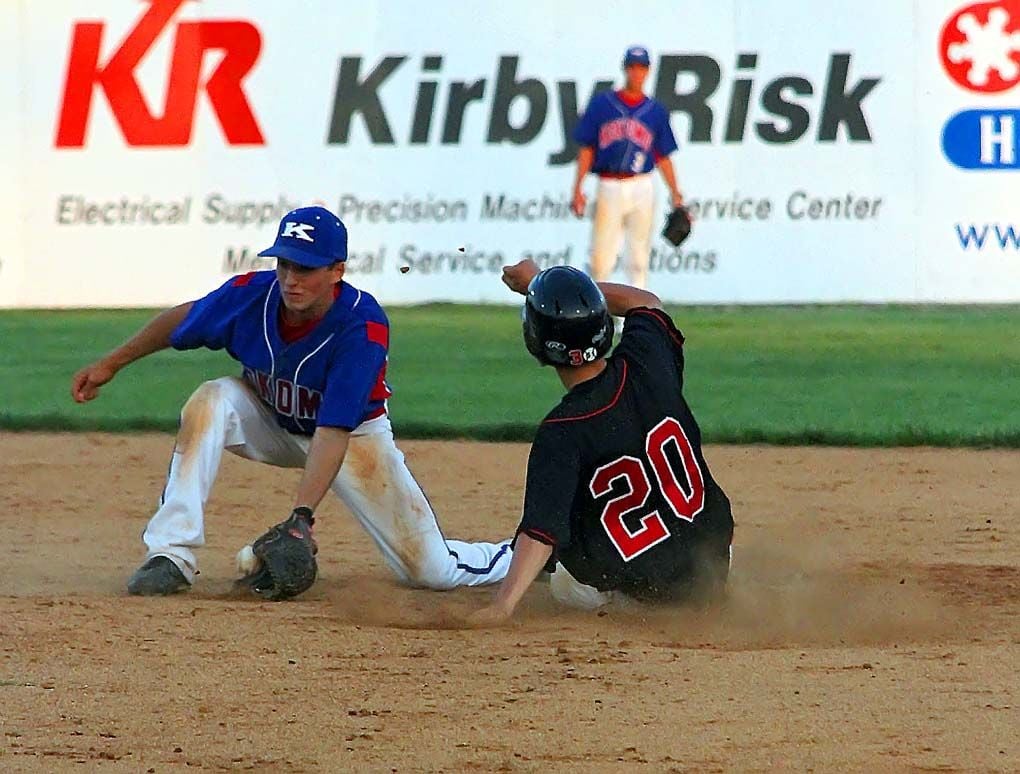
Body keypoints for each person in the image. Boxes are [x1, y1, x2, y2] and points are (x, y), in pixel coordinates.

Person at [71, 206, 512, 596]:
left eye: (305, 268)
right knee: (211, 400)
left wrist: (301, 518)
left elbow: (333, 429)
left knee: (432, 572)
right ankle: (170, 555)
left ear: (337, 271)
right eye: (284, 263)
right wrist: (112, 363)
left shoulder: (363, 326)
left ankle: (524, 555)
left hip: (352, 440)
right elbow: (184, 318)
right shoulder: (252, 295)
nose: (290, 278)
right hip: (268, 418)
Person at [467, 260, 733, 626]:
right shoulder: (646, 359)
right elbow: (645, 302)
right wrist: (545, 283)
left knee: (560, 562)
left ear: (536, 343)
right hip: (714, 564)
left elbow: (540, 533)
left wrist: (502, 606)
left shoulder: (562, 429)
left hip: (646, 596)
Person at [571, 45, 685, 294]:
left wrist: (676, 193)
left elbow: (663, 156)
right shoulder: (603, 104)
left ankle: (635, 322)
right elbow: (587, 149)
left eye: (642, 67)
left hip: (642, 184)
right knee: (601, 260)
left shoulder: (655, 111)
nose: (637, 73)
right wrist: (577, 188)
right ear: (625, 69)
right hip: (609, 183)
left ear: (648, 71)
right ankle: (602, 319)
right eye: (633, 67)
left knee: (638, 259)